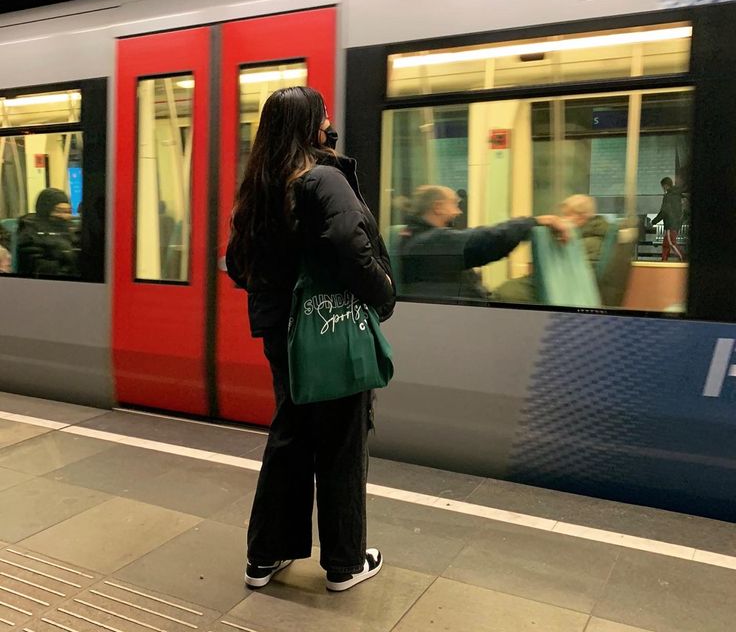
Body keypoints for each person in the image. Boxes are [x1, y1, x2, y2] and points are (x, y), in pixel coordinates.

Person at [227, 87, 394, 593]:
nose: (330, 123)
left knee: (290, 437)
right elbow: (349, 238)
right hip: (327, 326)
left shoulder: (260, 182)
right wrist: (382, 293)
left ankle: (265, 556)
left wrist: (280, 291)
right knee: (342, 442)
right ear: (312, 125)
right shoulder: (322, 176)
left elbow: (237, 264)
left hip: (283, 332)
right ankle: (344, 563)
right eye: (324, 117)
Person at [397, 185, 569, 300]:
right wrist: (536, 222)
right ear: (438, 207)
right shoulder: (426, 242)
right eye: (454, 205)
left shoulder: (420, 237)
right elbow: (485, 240)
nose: (458, 212)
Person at [493, 194, 609, 304]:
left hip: (558, 297)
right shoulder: (588, 239)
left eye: (568, 215)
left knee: (505, 294)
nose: (562, 219)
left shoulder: (585, 245)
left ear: (582, 217)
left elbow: (565, 283)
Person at [16, 188, 79, 278]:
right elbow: (37, 267)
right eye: (58, 211)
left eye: (68, 212)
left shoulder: (71, 230)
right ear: (45, 210)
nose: (64, 216)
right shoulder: (29, 232)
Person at [650, 176, 684, 262]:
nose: (662, 188)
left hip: (670, 223)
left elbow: (664, 212)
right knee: (666, 244)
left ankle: (683, 258)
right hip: (676, 222)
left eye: (662, 186)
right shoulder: (677, 195)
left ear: (665, 185)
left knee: (671, 243)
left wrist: (654, 221)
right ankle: (664, 260)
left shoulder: (668, 196)